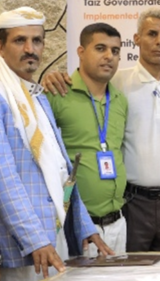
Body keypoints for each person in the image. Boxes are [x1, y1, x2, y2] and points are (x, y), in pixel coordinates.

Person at [0, 7, 112, 281]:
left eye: (37, 41)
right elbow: (1, 178)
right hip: (27, 249)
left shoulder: (35, 94)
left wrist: (84, 226)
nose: (30, 49)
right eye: (20, 41)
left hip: (55, 236)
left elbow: (63, 170)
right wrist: (35, 240)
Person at [43, 9, 160, 252]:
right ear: (137, 39)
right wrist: (52, 77)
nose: (159, 41)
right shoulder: (118, 82)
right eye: (152, 33)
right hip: (130, 203)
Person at [45, 23, 128, 256]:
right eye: (100, 48)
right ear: (81, 52)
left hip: (118, 222)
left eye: (115, 50)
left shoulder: (120, 100)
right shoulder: (57, 94)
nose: (109, 56)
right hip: (77, 226)